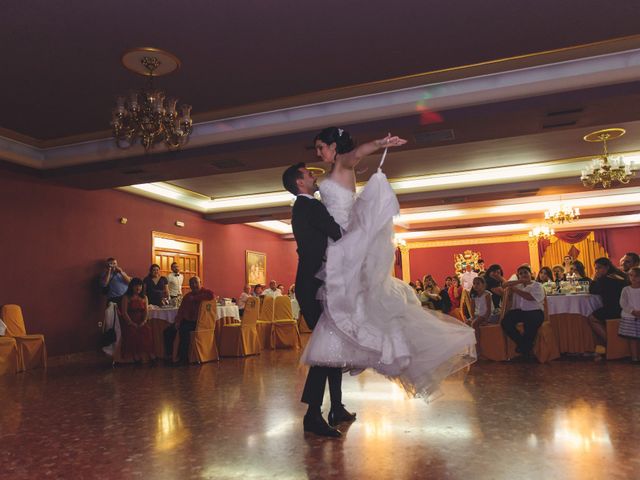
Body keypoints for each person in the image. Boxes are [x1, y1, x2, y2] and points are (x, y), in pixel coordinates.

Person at [293, 126, 475, 403]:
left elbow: (357, 153)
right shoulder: (330, 176)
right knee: (343, 308)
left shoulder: (343, 162)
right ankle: (335, 397)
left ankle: (357, 361)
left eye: (321, 147)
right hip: (337, 247)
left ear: (334, 146)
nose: (318, 154)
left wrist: (381, 142)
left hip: (344, 244)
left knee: (350, 303)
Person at [282, 161, 352, 438]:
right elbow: (337, 232)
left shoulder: (303, 207)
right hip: (313, 288)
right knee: (326, 351)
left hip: (314, 284)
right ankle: (313, 414)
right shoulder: (310, 206)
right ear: (300, 183)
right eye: (309, 174)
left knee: (332, 348)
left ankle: (336, 407)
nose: (314, 176)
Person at [164, 276, 214, 364]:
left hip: (198, 322)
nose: (194, 285)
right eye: (191, 283)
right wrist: (177, 322)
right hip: (186, 320)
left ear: (200, 283)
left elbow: (211, 295)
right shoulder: (187, 296)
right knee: (168, 331)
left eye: (196, 282)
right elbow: (181, 311)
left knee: (184, 331)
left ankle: (183, 358)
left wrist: (195, 298)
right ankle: (170, 355)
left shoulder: (205, 292)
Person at [501, 265, 545, 361]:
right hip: (521, 312)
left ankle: (524, 349)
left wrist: (516, 290)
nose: (523, 274)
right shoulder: (518, 285)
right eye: (521, 273)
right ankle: (523, 345)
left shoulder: (537, 285)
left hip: (535, 311)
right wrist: (520, 281)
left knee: (530, 323)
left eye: (525, 272)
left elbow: (529, 297)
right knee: (506, 321)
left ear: (530, 274)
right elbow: (504, 285)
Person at [588, 257, 628, 361]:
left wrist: (594, 278)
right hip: (625, 308)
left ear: (607, 267)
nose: (597, 271)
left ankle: (611, 343)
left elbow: (593, 290)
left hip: (614, 309)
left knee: (592, 318)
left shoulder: (605, 279)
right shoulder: (621, 275)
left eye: (599, 268)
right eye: (596, 269)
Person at [120, 278, 153, 362]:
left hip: (141, 320)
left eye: (140, 286)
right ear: (131, 287)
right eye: (136, 286)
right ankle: (134, 355)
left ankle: (143, 354)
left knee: (146, 330)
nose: (138, 288)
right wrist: (131, 322)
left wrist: (144, 321)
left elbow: (146, 311)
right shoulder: (126, 297)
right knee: (132, 332)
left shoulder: (144, 297)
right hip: (130, 320)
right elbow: (124, 312)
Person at [619, 267, 640, 362]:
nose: (633, 278)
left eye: (636, 276)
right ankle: (634, 358)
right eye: (631, 275)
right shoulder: (626, 289)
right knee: (632, 339)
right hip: (630, 318)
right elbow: (623, 303)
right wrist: (632, 311)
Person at [469, 276, 494, 345]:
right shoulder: (474, 296)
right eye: (474, 284)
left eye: (478, 283)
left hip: (486, 315)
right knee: (467, 323)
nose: (475, 285)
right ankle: (471, 345)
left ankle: (477, 344)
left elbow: (489, 309)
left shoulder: (487, 294)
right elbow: (472, 309)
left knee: (474, 324)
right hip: (478, 315)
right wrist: (473, 317)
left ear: (483, 284)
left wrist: (486, 319)